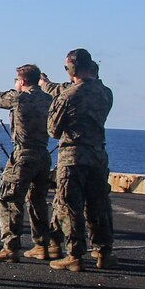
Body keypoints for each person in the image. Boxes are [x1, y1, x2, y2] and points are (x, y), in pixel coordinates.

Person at [0, 64, 59, 262]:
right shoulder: (48, 99)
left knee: (10, 199)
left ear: (22, 81)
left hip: (23, 155)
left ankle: (10, 247)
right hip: (43, 155)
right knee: (37, 201)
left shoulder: (19, 98)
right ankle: (42, 245)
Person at [41, 61, 116, 265]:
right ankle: (103, 252)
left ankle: (74, 255)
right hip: (98, 156)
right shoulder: (105, 93)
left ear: (73, 68)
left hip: (73, 157)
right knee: (98, 204)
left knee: (70, 206)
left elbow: (53, 130)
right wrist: (47, 84)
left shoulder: (67, 96)